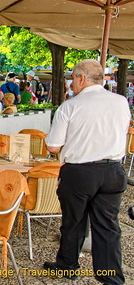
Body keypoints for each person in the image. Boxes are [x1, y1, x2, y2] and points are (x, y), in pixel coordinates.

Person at [44, 59, 130, 284]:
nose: (71, 84)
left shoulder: (70, 106)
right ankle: (111, 279)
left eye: (73, 78)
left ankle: (67, 266)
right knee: (108, 227)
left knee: (73, 222)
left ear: (81, 78)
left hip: (79, 172)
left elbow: (53, 146)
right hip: (113, 170)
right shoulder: (121, 102)